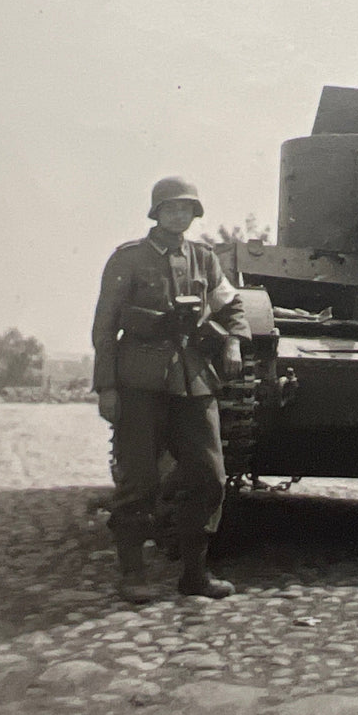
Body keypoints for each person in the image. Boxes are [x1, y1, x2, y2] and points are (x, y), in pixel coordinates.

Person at [91, 176, 253, 602]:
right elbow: (105, 328)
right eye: (171, 208)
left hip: (194, 380)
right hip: (139, 380)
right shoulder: (128, 258)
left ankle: (195, 575)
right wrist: (107, 387)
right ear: (156, 212)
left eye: (187, 209)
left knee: (210, 476)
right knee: (140, 479)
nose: (179, 215)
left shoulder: (204, 258)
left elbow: (232, 303)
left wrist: (234, 340)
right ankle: (133, 574)